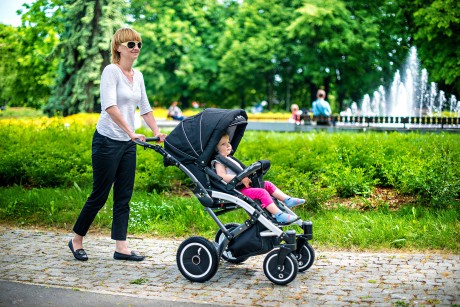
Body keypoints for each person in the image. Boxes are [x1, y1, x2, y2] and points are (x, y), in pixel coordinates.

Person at [68, 28, 167, 262]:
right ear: (118, 47)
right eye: (131, 44)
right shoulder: (111, 71)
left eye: (139, 44)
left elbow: (145, 107)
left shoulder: (138, 75)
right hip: (107, 140)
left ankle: (121, 247)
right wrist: (131, 132)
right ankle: (76, 240)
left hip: (127, 143)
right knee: (99, 194)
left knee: (124, 195)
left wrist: (156, 131)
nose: (136, 48)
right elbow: (110, 106)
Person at [213, 134, 305, 223]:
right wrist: (239, 178)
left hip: (245, 186)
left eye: (228, 142)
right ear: (216, 149)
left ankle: (287, 199)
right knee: (262, 192)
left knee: (267, 184)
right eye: (223, 144)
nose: (228, 145)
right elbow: (222, 177)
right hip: (237, 191)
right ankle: (278, 214)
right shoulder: (219, 162)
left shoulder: (229, 159)